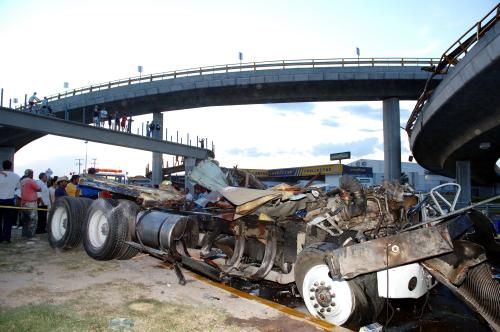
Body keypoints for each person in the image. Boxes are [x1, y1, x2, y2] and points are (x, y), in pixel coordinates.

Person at [0, 160, 20, 243]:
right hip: (9, 200)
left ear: (2, 166)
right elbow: (18, 187)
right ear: (11, 166)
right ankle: (7, 237)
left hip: (0, 199)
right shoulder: (16, 176)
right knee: (8, 221)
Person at [20, 169, 41, 239]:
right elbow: (39, 188)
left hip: (23, 202)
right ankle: (31, 235)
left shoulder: (22, 180)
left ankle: (24, 234)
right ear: (31, 174)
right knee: (33, 219)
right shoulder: (31, 180)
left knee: (25, 219)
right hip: (31, 203)